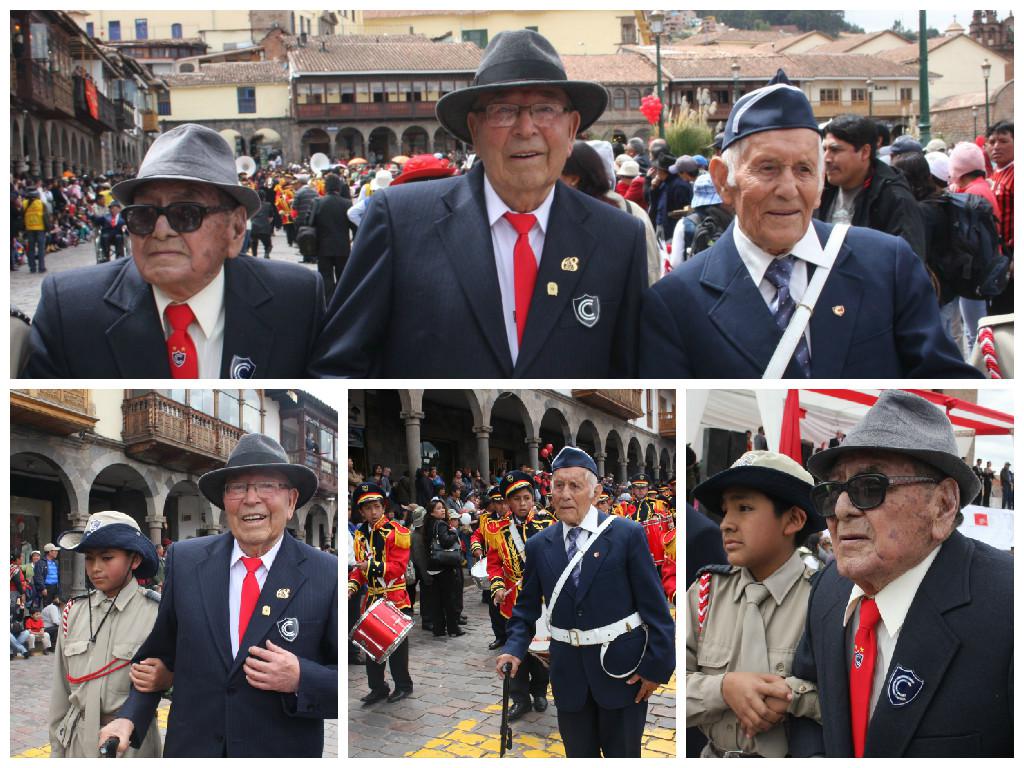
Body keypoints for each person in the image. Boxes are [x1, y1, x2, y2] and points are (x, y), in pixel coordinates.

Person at [308, 30, 646, 378]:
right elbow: (336, 367)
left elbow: (632, 369)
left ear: (572, 128)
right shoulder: (399, 220)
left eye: (545, 109)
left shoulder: (619, 237)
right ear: (474, 129)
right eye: (504, 111)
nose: (526, 128)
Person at [638, 70, 981, 379]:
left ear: (820, 185)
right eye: (767, 168)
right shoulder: (676, 303)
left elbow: (943, 386)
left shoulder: (887, 265)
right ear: (722, 179)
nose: (788, 190)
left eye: (804, 170)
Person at [791, 389, 1012, 757]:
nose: (841, 509)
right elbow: (810, 703)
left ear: (942, 505)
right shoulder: (829, 588)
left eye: (869, 487)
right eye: (831, 491)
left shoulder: (1008, 607)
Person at [98, 433, 338, 757]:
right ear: (224, 501)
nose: (251, 499)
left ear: (292, 500)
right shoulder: (185, 560)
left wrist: (301, 677)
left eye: (267, 485)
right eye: (237, 487)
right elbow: (158, 658)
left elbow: (344, 683)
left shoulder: (326, 573)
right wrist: (129, 718)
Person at [24, 124, 325, 378]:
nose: (160, 230)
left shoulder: (296, 301)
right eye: (144, 214)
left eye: (186, 213)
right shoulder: (70, 308)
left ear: (235, 229)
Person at [496, 446, 675, 757]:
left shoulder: (625, 534)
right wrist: (513, 649)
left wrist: (656, 669)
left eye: (575, 486)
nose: (565, 494)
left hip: (622, 672)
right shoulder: (540, 545)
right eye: (558, 485)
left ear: (596, 491)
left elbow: (656, 608)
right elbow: (525, 609)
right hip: (569, 676)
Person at [686, 451, 823, 757]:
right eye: (725, 511)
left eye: (744, 508)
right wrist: (723, 689)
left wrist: (794, 697)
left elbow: (851, 702)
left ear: (793, 520)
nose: (726, 524)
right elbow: (671, 686)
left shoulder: (823, 600)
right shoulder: (705, 592)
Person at [48, 511, 167, 757]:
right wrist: (57, 752)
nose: (95, 568)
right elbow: (61, 692)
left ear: (134, 560)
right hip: (77, 743)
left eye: (107, 557)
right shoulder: (74, 612)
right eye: (90, 559)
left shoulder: (157, 615)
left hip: (130, 746)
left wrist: (167, 679)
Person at [485, 471, 552, 719]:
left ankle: (540, 693)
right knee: (515, 651)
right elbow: (493, 564)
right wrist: (498, 586)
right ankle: (520, 698)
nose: (523, 504)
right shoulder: (498, 530)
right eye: (516, 499)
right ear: (507, 502)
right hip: (513, 602)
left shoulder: (548, 524)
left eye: (527, 497)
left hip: (543, 601)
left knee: (541, 652)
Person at [817, 115, 926, 259]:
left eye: (835, 150)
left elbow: (908, 263)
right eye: (824, 149)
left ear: (865, 152)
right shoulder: (821, 188)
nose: (826, 158)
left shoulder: (895, 199)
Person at [348, 482, 414, 705]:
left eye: (377, 506)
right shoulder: (360, 534)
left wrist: (371, 567)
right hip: (373, 599)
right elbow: (360, 569)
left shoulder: (397, 532)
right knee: (371, 647)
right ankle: (378, 688)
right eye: (368, 508)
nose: (373, 512)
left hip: (395, 598)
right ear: (361, 511)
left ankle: (404, 685)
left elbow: (398, 567)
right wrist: (351, 586)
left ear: (383, 507)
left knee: (396, 647)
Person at [312, 173, 357, 299]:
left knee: (325, 276)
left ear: (325, 187)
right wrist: (354, 239)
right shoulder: (347, 203)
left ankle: (328, 301)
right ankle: (340, 300)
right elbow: (354, 226)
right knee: (342, 276)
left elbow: (309, 223)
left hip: (323, 246)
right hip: (342, 246)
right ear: (338, 187)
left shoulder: (318, 202)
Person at [985, 120, 1013, 316]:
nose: (996, 146)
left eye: (1003, 141)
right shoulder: (995, 174)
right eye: (992, 141)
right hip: (998, 255)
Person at [424, 498, 463, 638]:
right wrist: (454, 532)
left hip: (433, 565)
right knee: (449, 599)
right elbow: (446, 542)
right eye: (439, 508)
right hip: (444, 566)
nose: (443, 510)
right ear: (432, 512)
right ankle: (453, 628)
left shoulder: (428, 524)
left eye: (442, 507)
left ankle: (438, 628)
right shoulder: (440, 524)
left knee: (437, 600)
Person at [248, 189, 275, 259]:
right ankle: (266, 253)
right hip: (264, 228)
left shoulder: (252, 205)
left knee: (254, 243)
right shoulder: (268, 205)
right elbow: (271, 218)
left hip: (254, 227)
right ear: (264, 197)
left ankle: (254, 256)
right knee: (268, 245)